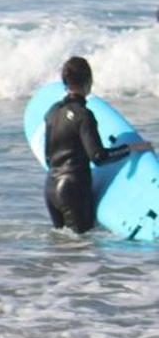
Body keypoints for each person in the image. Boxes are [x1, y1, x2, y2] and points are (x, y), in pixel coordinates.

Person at [43, 55, 154, 233]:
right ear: (89, 81)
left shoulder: (52, 112)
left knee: (62, 250)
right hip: (73, 190)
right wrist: (131, 148)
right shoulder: (84, 116)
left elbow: (48, 157)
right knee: (81, 249)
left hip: (51, 188)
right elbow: (98, 157)